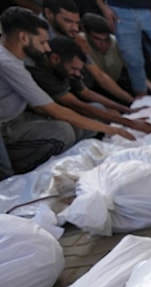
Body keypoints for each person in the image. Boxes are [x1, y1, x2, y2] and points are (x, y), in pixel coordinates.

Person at [0, 7, 132, 177]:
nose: (47, 48)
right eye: (42, 42)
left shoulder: (16, 58)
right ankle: (23, 173)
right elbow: (54, 109)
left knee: (84, 122)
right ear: (24, 38)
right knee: (64, 132)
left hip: (20, 118)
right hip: (6, 127)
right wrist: (113, 129)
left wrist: (123, 115)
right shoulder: (7, 63)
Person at [27, 34, 151, 134]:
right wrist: (129, 123)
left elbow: (87, 93)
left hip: (63, 111)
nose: (77, 74)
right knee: (67, 131)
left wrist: (127, 110)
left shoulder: (65, 67)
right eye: (74, 69)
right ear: (55, 59)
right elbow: (76, 104)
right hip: (38, 120)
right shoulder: (41, 73)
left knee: (98, 108)